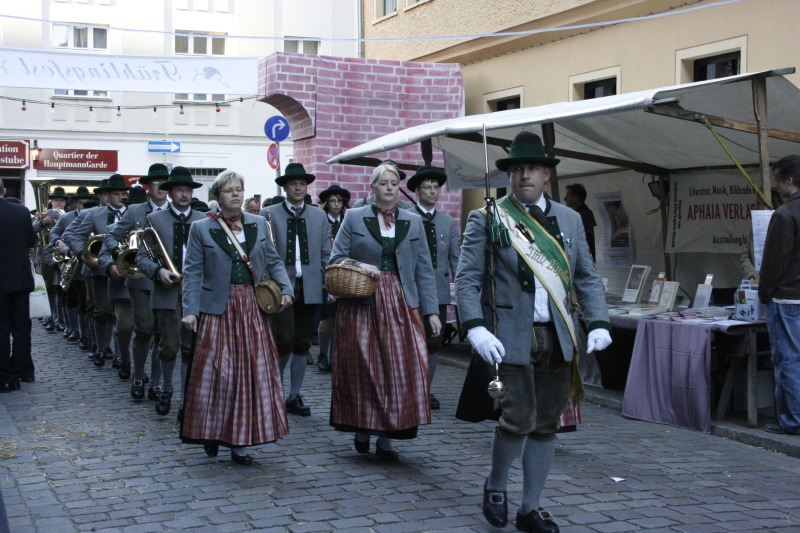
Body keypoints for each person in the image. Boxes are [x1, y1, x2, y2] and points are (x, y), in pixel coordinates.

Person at [455, 131, 611, 532]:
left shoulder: (571, 218)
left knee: (547, 425)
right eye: (517, 169)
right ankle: (495, 483)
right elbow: (467, 279)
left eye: (532, 169)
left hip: (559, 336)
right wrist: (475, 328)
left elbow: (587, 277)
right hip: (508, 336)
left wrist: (598, 321)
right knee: (517, 420)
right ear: (509, 175)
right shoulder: (488, 216)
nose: (525, 175)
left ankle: (530, 508)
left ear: (546, 174)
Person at [329, 163, 441, 461]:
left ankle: (389, 435)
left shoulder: (413, 221)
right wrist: (359, 265)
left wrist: (431, 311)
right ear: (373, 187)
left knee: (399, 367)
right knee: (364, 367)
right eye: (383, 183)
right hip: (362, 299)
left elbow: (424, 270)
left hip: (401, 301)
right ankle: (363, 427)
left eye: (394, 183)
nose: (390, 187)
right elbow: (336, 258)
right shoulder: (354, 217)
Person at [181, 170, 293, 465]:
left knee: (251, 373)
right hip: (218, 308)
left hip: (253, 306)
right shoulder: (201, 228)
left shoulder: (258, 223)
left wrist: (287, 290)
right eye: (229, 190)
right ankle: (212, 430)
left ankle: (239, 440)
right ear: (217, 196)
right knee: (220, 373)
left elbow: (274, 261)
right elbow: (192, 272)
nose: (236, 195)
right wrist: (191, 310)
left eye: (239, 190)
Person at [261, 163, 331, 416]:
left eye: (302, 183)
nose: (298, 187)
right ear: (285, 187)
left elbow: (326, 252)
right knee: (284, 338)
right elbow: (264, 253)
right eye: (293, 183)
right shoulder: (268, 214)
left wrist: (329, 283)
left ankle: (294, 395)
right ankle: (273, 391)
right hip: (281, 286)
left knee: (303, 342)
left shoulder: (318, 215)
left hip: (311, 284)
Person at [135, 167, 206, 417]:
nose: (184, 194)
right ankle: (166, 387)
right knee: (168, 345)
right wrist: (157, 272)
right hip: (167, 291)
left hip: (196, 291)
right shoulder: (156, 219)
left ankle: (187, 398)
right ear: (170, 193)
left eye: (188, 190)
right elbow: (142, 257)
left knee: (191, 347)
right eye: (179, 190)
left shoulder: (204, 219)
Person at [105, 164, 170, 399]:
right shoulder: (134, 211)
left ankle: (155, 382)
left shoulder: (178, 210)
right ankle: (138, 376)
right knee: (144, 329)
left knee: (161, 334)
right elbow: (111, 236)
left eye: (165, 183)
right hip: (140, 279)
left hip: (167, 281)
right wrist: (118, 254)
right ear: (148, 187)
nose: (161, 188)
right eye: (156, 183)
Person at [405, 166, 460, 410]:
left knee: (434, 341)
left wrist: (462, 286)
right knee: (407, 339)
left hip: (437, 289)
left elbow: (456, 257)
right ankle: (405, 387)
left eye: (436, 187)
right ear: (416, 190)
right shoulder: (404, 216)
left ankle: (425, 390)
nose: (432, 191)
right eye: (427, 187)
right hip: (408, 289)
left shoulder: (448, 223)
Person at [63, 175, 130, 367]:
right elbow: (74, 236)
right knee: (102, 311)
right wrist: (83, 256)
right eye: (115, 194)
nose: (119, 197)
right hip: (99, 270)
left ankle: (120, 355)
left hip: (125, 269)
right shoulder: (93, 214)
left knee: (122, 315)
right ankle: (101, 347)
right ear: (107, 195)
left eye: (121, 193)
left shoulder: (132, 212)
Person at [759, 155, 800, 436]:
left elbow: (774, 261)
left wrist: (765, 293)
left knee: (789, 360)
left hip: (787, 298)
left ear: (789, 180)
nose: (777, 187)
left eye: (778, 181)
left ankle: (793, 420)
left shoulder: (785, 214)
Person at [0, 178, 37, 392]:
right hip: (20, 279)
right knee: (22, 328)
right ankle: (24, 371)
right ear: (4, 190)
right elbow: (30, 241)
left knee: (2, 328)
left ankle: (4, 376)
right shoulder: (22, 212)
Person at [316, 184, 351, 372]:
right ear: (327, 203)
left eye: (339, 201)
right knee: (328, 317)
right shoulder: (322, 222)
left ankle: (337, 355)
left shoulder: (348, 221)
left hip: (346, 276)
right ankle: (323, 353)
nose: (336, 204)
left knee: (343, 318)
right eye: (332, 201)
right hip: (327, 275)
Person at [741, 189, 782, 280]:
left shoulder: (784, 228)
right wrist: (752, 274)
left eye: (758, 204)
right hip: (756, 282)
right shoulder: (754, 230)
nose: (755, 207)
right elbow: (745, 255)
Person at [564, 183, 596, 260]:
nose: (565, 198)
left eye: (568, 195)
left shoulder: (583, 215)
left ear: (576, 197)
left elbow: (572, 239)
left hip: (583, 260)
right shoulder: (582, 214)